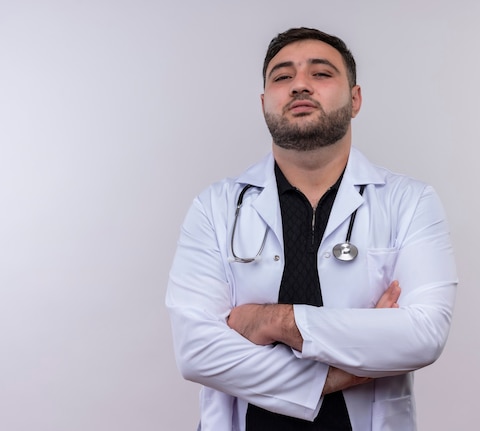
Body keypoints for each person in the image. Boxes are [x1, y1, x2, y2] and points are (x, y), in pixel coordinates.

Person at [166, 27, 458, 431]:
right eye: (282, 77)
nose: (300, 84)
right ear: (265, 102)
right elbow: (197, 352)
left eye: (321, 74)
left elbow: (423, 334)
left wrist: (273, 321)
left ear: (355, 99)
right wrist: (349, 368)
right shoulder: (215, 207)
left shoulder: (409, 202)